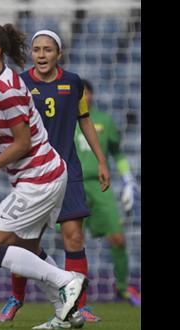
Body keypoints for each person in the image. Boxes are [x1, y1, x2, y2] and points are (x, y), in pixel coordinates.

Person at [0, 20, 87, 330]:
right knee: (28, 250)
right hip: (38, 176)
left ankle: (66, 279)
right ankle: (68, 314)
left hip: (40, 177)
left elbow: (22, 144)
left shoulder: (8, 89)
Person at [0, 29, 110, 326]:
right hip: (35, 172)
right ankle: (16, 298)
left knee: (73, 237)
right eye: (37, 50)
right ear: (32, 54)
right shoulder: (21, 84)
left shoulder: (72, 82)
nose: (42, 54)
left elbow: (84, 120)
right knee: (24, 241)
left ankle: (78, 307)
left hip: (68, 170)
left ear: (58, 54)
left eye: (48, 49)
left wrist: (101, 161)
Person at [75, 79, 141, 306]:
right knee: (72, 240)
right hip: (73, 186)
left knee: (118, 237)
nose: (84, 98)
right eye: (80, 94)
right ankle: (73, 293)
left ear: (92, 96)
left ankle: (123, 288)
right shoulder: (65, 120)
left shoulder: (104, 120)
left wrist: (127, 178)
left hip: (101, 187)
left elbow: (118, 153)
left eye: (87, 94)